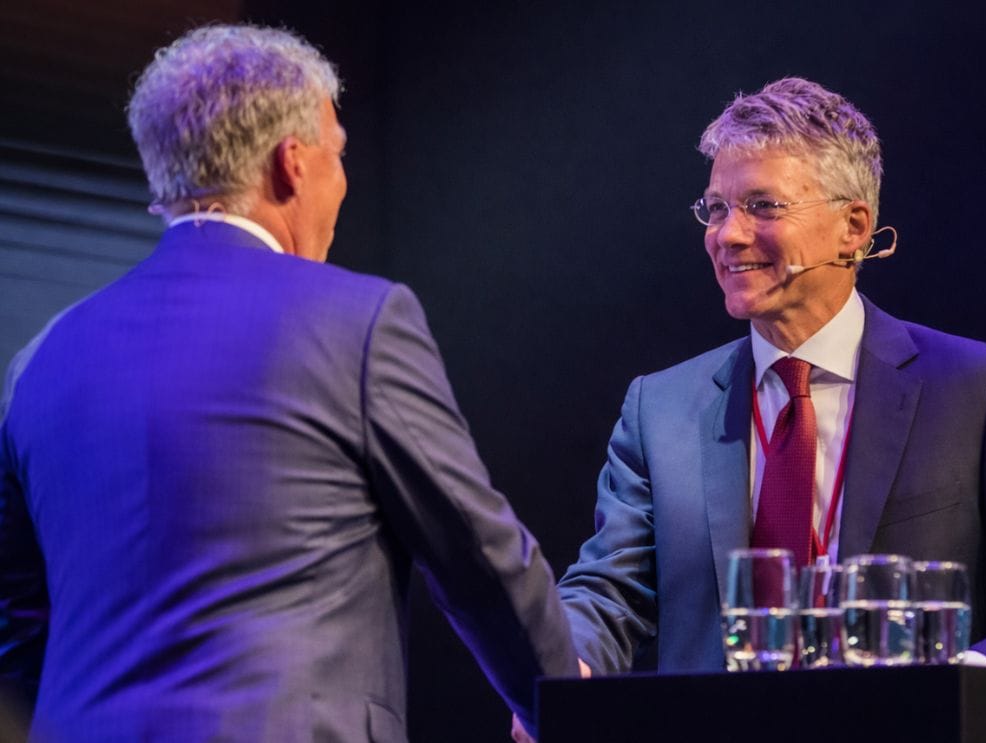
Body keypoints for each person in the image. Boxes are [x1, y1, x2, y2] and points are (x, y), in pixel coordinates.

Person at [0, 24, 576, 742]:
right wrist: (561, 697)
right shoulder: (356, 322)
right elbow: (475, 551)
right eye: (338, 155)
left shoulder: (38, 359)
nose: (343, 182)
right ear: (291, 164)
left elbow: (19, 628)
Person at [555, 77, 986, 679]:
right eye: (717, 208)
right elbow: (607, 592)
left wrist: (962, 680)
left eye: (762, 206)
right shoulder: (661, 408)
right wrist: (562, 660)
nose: (728, 234)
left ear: (853, 227)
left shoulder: (976, 390)